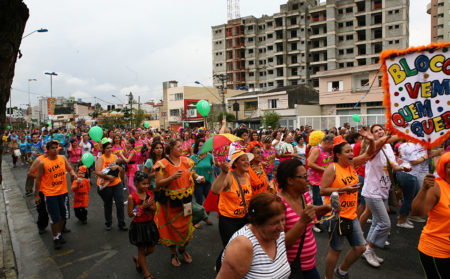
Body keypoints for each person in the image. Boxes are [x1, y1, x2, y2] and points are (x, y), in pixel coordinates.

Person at [320, 132, 375, 279]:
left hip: (352, 214)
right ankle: (328, 277)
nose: (351, 153)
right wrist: (342, 189)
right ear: (338, 155)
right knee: (336, 250)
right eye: (347, 151)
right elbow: (322, 191)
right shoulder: (332, 168)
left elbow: (369, 154)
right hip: (336, 215)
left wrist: (371, 140)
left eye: (351, 151)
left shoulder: (351, 164)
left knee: (360, 248)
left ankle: (342, 271)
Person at [361, 124, 409, 267]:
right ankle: (368, 250)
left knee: (377, 222)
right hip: (372, 191)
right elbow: (381, 143)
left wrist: (402, 168)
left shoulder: (387, 147)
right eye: (375, 131)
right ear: (372, 135)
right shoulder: (373, 148)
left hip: (384, 188)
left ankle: (369, 249)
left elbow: (393, 166)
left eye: (380, 129)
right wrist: (373, 140)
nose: (379, 132)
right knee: (385, 223)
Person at [277, 159, 332, 279]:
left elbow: (309, 214)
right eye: (304, 176)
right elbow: (280, 244)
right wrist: (302, 221)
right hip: (290, 268)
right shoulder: (278, 205)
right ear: (290, 180)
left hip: (309, 264)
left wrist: (325, 208)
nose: (308, 179)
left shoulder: (304, 194)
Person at [154, 138, 204, 266]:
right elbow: (158, 184)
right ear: (170, 149)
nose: (181, 148)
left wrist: (198, 177)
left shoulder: (187, 161)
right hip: (169, 202)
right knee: (172, 229)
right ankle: (173, 254)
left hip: (186, 201)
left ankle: (182, 249)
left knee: (186, 226)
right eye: (178, 146)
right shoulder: (162, 164)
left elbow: (191, 173)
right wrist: (171, 177)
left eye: (181, 146)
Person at [217, 192, 291, 279]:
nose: (282, 228)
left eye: (283, 219)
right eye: (274, 223)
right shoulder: (243, 245)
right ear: (257, 222)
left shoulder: (278, 235)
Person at [411, 152, 450, 278]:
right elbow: (417, 212)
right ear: (443, 169)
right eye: (449, 166)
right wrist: (424, 189)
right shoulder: (436, 187)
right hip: (436, 249)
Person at [35, 140, 77, 249]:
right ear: (47, 150)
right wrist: (37, 195)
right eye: (52, 148)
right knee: (54, 217)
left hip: (63, 192)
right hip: (50, 194)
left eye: (56, 148)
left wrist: (73, 174)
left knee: (64, 215)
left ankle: (58, 233)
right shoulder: (43, 163)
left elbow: (70, 168)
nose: (55, 150)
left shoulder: (62, 158)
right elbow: (38, 180)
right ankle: (56, 238)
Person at [212, 150, 254, 247]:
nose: (247, 162)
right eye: (243, 160)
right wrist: (223, 173)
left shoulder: (247, 176)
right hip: (228, 220)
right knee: (230, 247)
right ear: (235, 163)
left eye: (247, 160)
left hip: (244, 218)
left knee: (242, 247)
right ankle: (221, 262)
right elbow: (215, 190)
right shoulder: (228, 176)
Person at [127, 171, 159, 279]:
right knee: (141, 249)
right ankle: (147, 274)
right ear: (136, 183)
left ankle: (138, 259)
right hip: (139, 226)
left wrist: (149, 206)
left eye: (147, 183)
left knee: (151, 249)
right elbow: (131, 214)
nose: (146, 186)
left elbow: (155, 208)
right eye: (143, 184)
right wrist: (142, 207)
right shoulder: (132, 197)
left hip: (150, 224)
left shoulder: (149, 193)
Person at [95, 141, 127, 231]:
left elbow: (121, 169)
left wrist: (117, 167)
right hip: (105, 184)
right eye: (107, 148)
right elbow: (97, 171)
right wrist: (107, 176)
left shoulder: (115, 157)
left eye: (110, 147)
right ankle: (108, 223)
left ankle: (121, 223)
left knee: (120, 203)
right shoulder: (101, 158)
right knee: (108, 204)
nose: (109, 149)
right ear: (104, 149)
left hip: (117, 183)